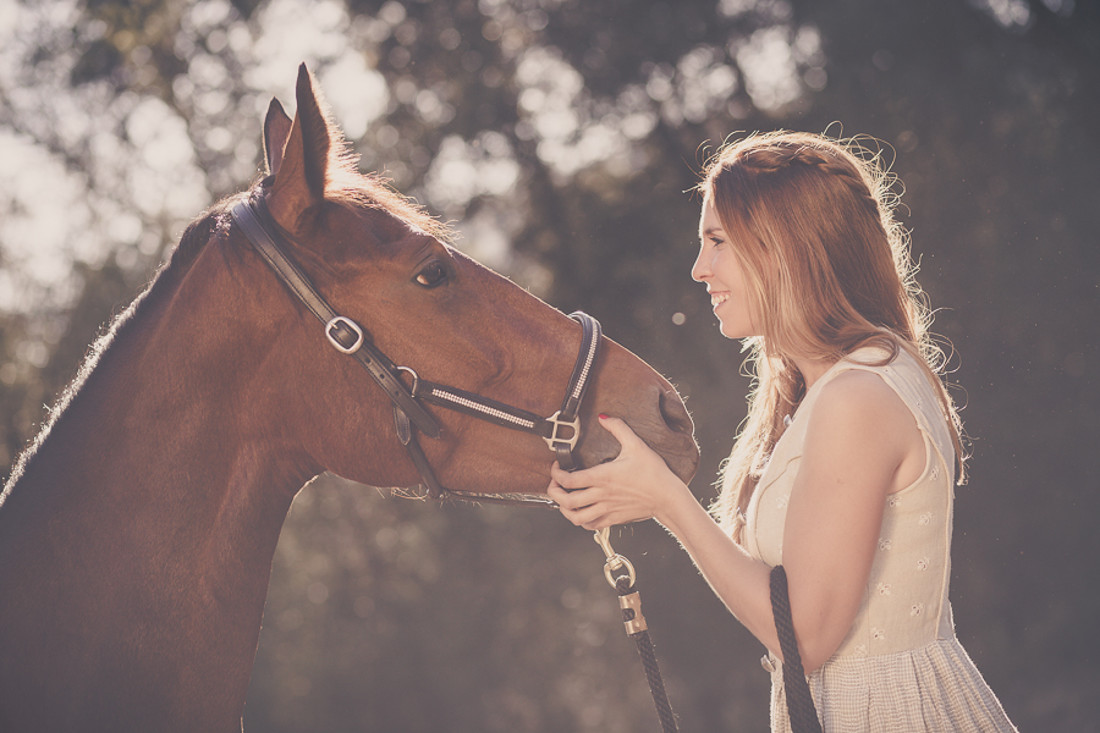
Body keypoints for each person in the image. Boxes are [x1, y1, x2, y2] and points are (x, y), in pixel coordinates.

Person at [548, 130, 1017, 732]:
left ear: (785, 248)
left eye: (717, 242)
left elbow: (807, 636)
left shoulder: (856, 397)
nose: (699, 269)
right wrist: (631, 485)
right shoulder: (823, 387)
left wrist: (668, 501)